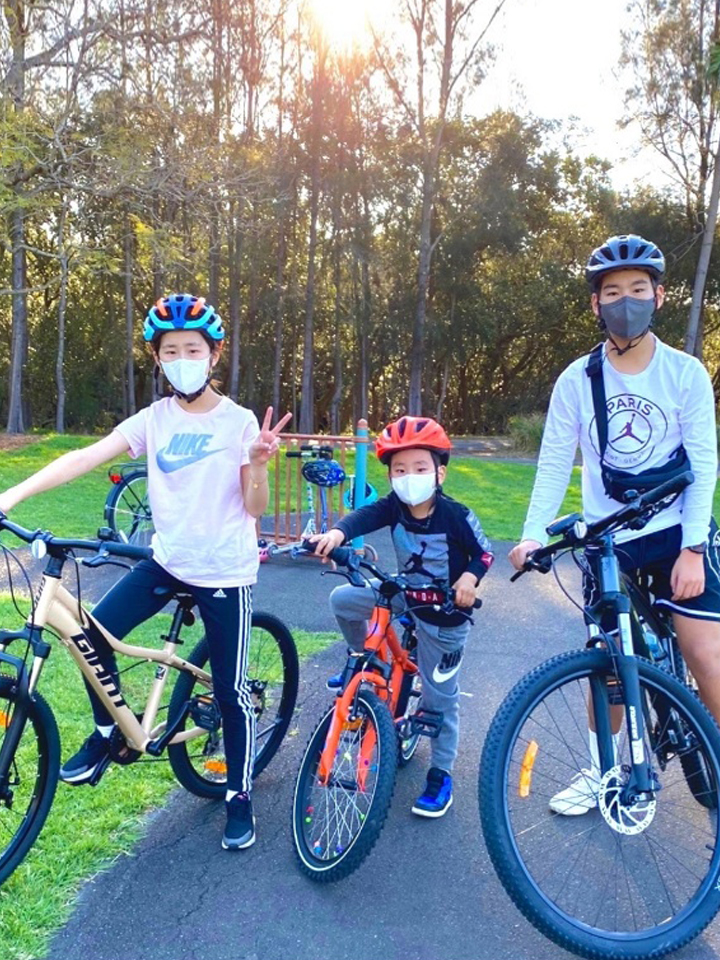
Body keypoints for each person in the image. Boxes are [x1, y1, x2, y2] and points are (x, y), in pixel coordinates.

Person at [0, 293, 290, 850]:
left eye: (193, 349)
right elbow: (86, 457)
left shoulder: (239, 422)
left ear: (213, 355)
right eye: (170, 351)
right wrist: (12, 494)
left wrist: (256, 464)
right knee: (91, 635)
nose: (182, 359)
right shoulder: (154, 419)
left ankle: (239, 795)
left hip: (224, 572)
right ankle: (109, 734)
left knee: (230, 691)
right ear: (158, 358)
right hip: (167, 561)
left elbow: (255, 508)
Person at [509, 234, 720, 815]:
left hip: (676, 530)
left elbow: (704, 465)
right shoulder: (577, 380)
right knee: (606, 664)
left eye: (637, 289)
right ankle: (603, 771)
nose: (626, 301)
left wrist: (693, 550)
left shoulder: (684, 373)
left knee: (703, 653)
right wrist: (532, 534)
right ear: (596, 304)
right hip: (609, 539)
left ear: (658, 296)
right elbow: (555, 462)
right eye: (612, 292)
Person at [311, 415, 494, 818]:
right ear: (391, 476)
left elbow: (484, 553)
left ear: (440, 473)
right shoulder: (394, 507)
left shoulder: (456, 515)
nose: (410, 476)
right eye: (400, 469)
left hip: (445, 615)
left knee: (438, 700)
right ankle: (367, 660)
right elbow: (362, 517)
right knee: (344, 600)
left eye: (420, 468)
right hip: (404, 595)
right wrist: (337, 534)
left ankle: (441, 774)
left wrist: (468, 579)